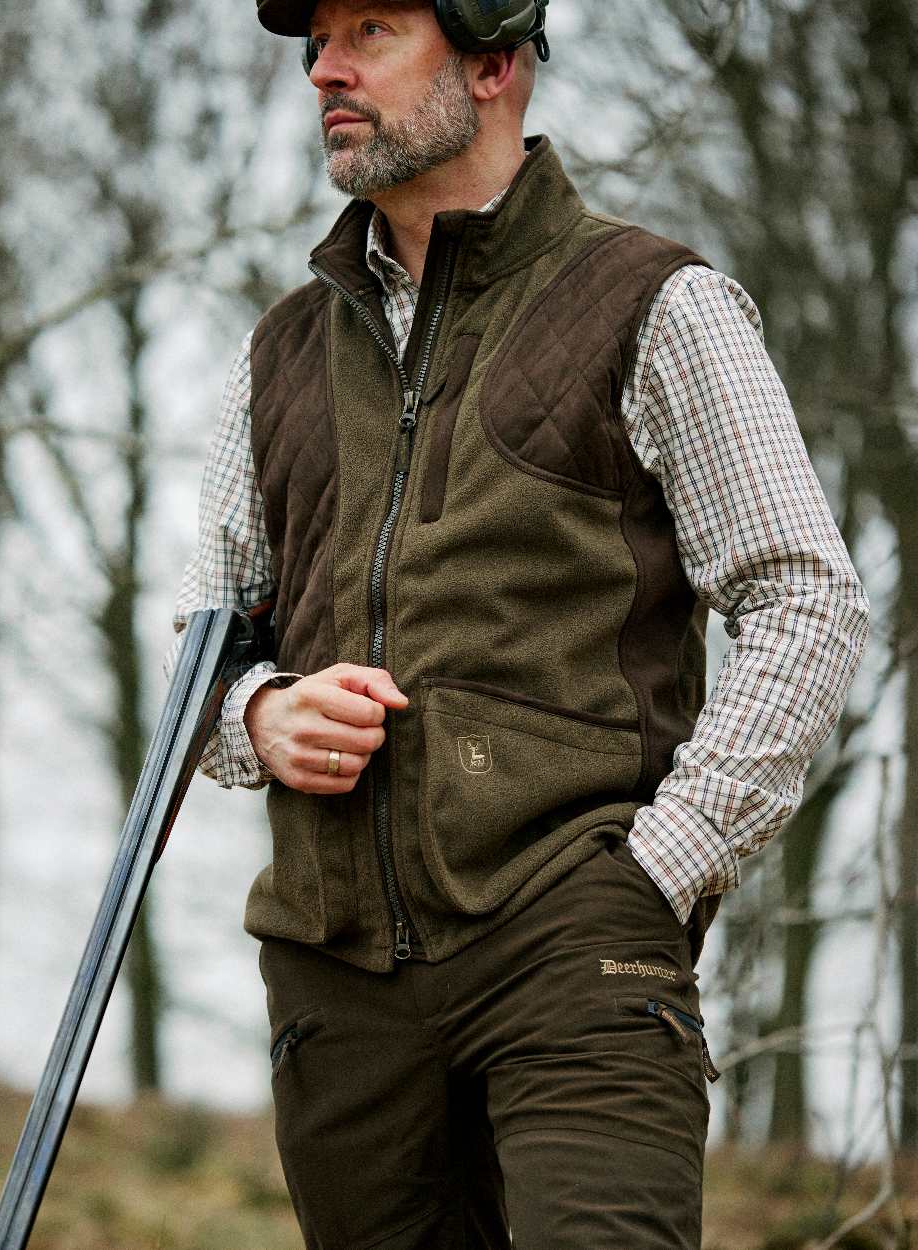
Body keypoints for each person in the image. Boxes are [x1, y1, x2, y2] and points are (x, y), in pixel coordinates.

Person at [170, 1, 870, 1245]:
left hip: (575, 956)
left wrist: (653, 871)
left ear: (494, 61)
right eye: (314, 41)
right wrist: (261, 714)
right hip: (334, 995)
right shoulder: (274, 353)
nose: (324, 68)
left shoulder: (656, 301)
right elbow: (201, 650)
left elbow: (801, 592)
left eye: (371, 30)